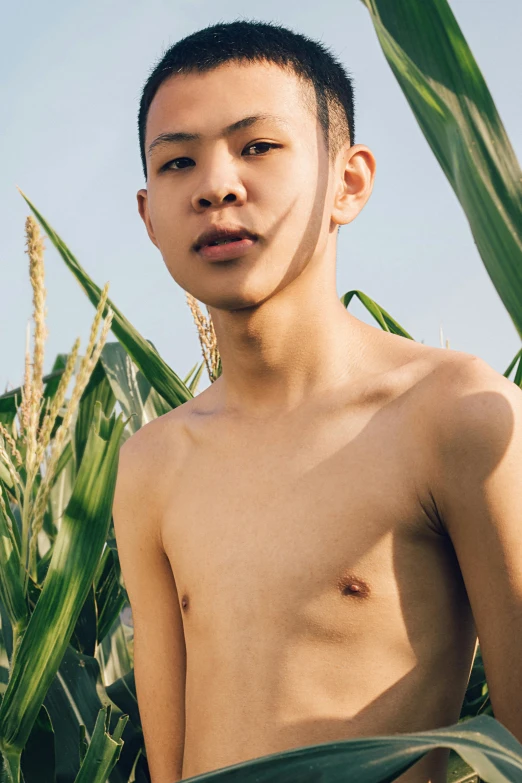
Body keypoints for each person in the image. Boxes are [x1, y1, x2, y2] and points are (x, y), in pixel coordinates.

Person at [112, 19, 522, 783]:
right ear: (148, 217)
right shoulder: (152, 464)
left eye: (258, 146)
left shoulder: (457, 415)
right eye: (178, 162)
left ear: (349, 181)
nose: (216, 184)